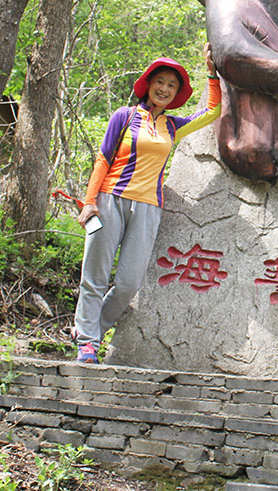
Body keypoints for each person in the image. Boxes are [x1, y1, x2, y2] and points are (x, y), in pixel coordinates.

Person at [71, 44, 221, 363]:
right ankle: (87, 342)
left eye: (172, 85)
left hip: (148, 208)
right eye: (160, 82)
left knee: (128, 284)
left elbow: (211, 112)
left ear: (176, 92)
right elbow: (103, 159)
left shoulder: (172, 126)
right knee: (95, 277)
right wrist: (89, 202)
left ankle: (90, 330)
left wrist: (211, 71)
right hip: (110, 199)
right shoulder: (124, 117)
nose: (164, 89)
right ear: (148, 84)